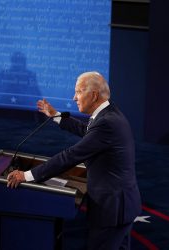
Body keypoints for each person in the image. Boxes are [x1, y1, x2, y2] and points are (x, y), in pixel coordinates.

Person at [7, 71, 142, 249]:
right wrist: (56, 115)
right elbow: (88, 131)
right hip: (122, 205)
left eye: (78, 92)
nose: (74, 97)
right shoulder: (109, 114)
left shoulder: (107, 123)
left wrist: (27, 176)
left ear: (93, 95)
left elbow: (70, 156)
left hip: (112, 210)